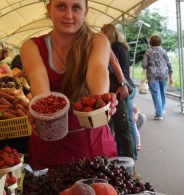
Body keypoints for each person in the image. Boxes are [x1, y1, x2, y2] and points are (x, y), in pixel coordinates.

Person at [20, 0, 119, 170]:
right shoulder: (31, 46)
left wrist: (99, 100)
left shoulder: (98, 41)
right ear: (49, 9)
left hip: (92, 143)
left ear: (85, 11)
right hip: (49, 146)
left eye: (76, 7)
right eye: (61, 6)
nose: (68, 15)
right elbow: (38, 78)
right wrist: (44, 110)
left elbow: (97, 69)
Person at [101, 23, 137, 159]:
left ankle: (128, 157)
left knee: (123, 127)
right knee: (127, 124)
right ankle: (130, 155)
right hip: (128, 86)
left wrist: (121, 84)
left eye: (103, 33)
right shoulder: (122, 46)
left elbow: (113, 67)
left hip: (120, 88)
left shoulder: (113, 47)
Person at [142, 34, 173, 120]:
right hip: (164, 73)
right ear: (160, 42)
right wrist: (171, 76)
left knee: (156, 93)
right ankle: (162, 110)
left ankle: (159, 114)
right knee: (162, 92)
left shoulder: (148, 51)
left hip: (152, 75)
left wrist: (147, 64)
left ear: (150, 42)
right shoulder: (163, 51)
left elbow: (144, 65)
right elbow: (168, 63)